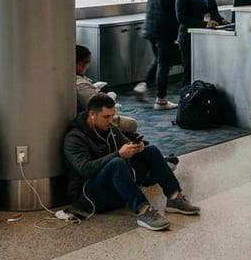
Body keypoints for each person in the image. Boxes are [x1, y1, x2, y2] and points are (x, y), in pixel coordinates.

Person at [63, 94, 199, 231]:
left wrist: (136, 147)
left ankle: (174, 197)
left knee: (150, 150)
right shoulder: (75, 137)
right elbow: (85, 169)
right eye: (106, 117)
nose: (110, 120)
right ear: (92, 114)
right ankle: (143, 210)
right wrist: (118, 154)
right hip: (90, 197)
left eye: (112, 116)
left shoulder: (109, 129)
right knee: (117, 162)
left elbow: (126, 143)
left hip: (115, 188)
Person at [137, 0, 185, 107]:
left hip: (151, 29)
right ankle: (161, 99)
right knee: (164, 64)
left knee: (159, 61)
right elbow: (176, 13)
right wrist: (177, 34)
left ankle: (143, 85)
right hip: (166, 31)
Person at [175, 0, 228, 87]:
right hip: (189, 37)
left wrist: (221, 20)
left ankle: (203, 93)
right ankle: (187, 94)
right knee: (190, 68)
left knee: (205, 67)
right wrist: (204, 24)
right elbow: (182, 18)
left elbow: (213, 11)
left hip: (205, 35)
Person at [76, 44, 137, 133]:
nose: (88, 66)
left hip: (94, 114)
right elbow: (100, 104)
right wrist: (109, 95)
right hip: (93, 118)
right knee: (131, 124)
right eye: (88, 62)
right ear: (80, 64)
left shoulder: (80, 78)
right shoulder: (80, 84)